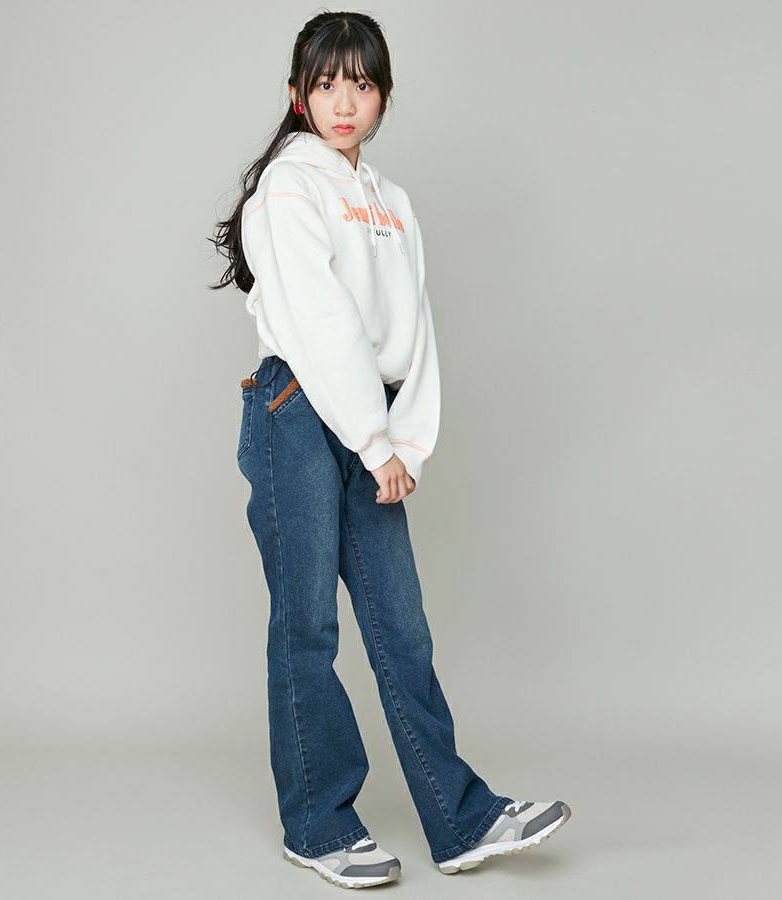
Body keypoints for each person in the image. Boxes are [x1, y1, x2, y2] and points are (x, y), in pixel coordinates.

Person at [209, 10, 571, 889]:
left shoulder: (393, 203)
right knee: (308, 626)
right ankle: (318, 825)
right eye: (327, 83)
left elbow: (415, 332)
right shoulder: (288, 188)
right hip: (298, 411)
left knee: (400, 627)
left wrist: (404, 438)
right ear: (297, 95)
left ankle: (461, 818)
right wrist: (376, 442)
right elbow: (322, 322)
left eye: (362, 85)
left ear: (384, 96)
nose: (345, 101)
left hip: (367, 418)